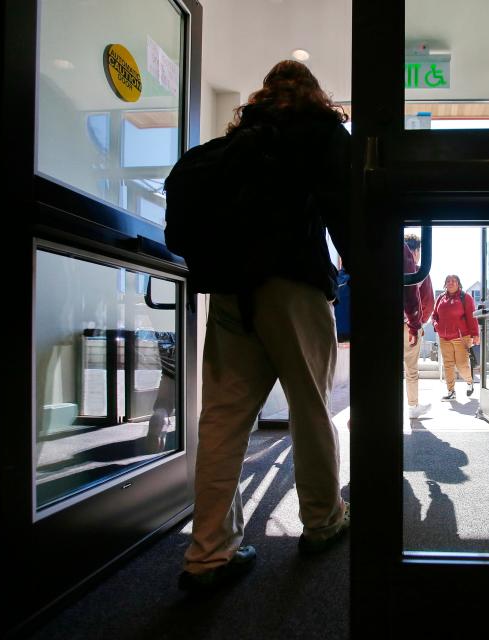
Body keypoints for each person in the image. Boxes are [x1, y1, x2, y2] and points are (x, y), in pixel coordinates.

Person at [179, 60, 351, 592]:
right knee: (311, 407)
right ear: (312, 93)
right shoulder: (319, 132)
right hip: (292, 287)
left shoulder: (241, 140)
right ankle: (323, 521)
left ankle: (208, 551)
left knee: (224, 419)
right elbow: (346, 209)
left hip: (233, 292)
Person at [432, 275, 480, 401]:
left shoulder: (465, 297)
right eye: (448, 281)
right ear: (445, 284)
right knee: (448, 365)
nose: (450, 283)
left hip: (461, 337)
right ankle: (451, 392)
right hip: (444, 338)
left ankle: (469, 381)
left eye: (453, 281)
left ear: (458, 283)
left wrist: (475, 335)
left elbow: (472, 317)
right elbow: (434, 315)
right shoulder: (440, 298)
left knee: (462, 365)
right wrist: (436, 326)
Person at [403, 236, 432, 419]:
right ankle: (413, 406)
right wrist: (418, 324)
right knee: (411, 367)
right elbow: (427, 300)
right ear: (416, 251)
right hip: (410, 324)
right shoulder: (420, 271)